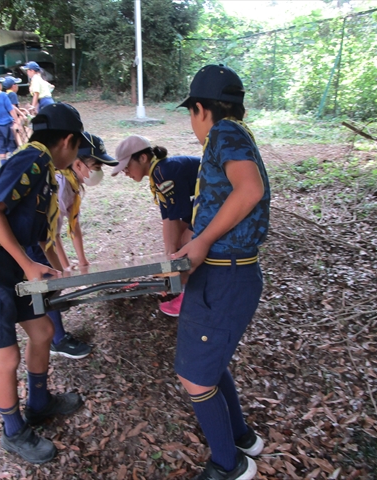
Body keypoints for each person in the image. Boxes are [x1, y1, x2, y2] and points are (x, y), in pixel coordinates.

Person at [0, 102, 88, 465]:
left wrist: (50, 270)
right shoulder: (32, 159)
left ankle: (40, 403)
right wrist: (28, 264)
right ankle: (13, 432)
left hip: (9, 261)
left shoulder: (43, 169)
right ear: (68, 141)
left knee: (42, 331)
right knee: (6, 354)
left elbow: (32, 233)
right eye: (78, 149)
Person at [173, 64, 271, 480]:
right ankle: (242, 438)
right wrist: (196, 241)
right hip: (222, 270)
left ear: (200, 109)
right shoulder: (237, 134)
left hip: (226, 275)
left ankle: (228, 467)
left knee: (194, 378)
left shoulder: (223, 133)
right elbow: (225, 199)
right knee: (206, 367)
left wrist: (201, 241)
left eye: (190, 113)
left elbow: (250, 189)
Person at [111, 135, 200, 317]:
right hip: (202, 201)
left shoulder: (165, 174)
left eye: (126, 166)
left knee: (187, 241)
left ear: (143, 158)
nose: (125, 172)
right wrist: (168, 258)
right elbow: (167, 219)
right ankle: (180, 288)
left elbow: (175, 219)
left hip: (219, 197)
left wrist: (172, 262)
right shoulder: (158, 174)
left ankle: (188, 296)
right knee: (181, 243)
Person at [56, 132, 118, 271]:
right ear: (78, 165)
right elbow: (52, 235)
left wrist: (82, 261)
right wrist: (65, 269)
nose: (99, 172)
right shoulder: (60, 185)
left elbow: (74, 225)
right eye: (97, 167)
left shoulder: (72, 185)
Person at [2, 76, 32, 146]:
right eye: (16, 84)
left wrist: (24, 110)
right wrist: (23, 114)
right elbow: (13, 107)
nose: (17, 86)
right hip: (15, 119)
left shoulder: (5, 94)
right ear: (13, 86)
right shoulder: (12, 94)